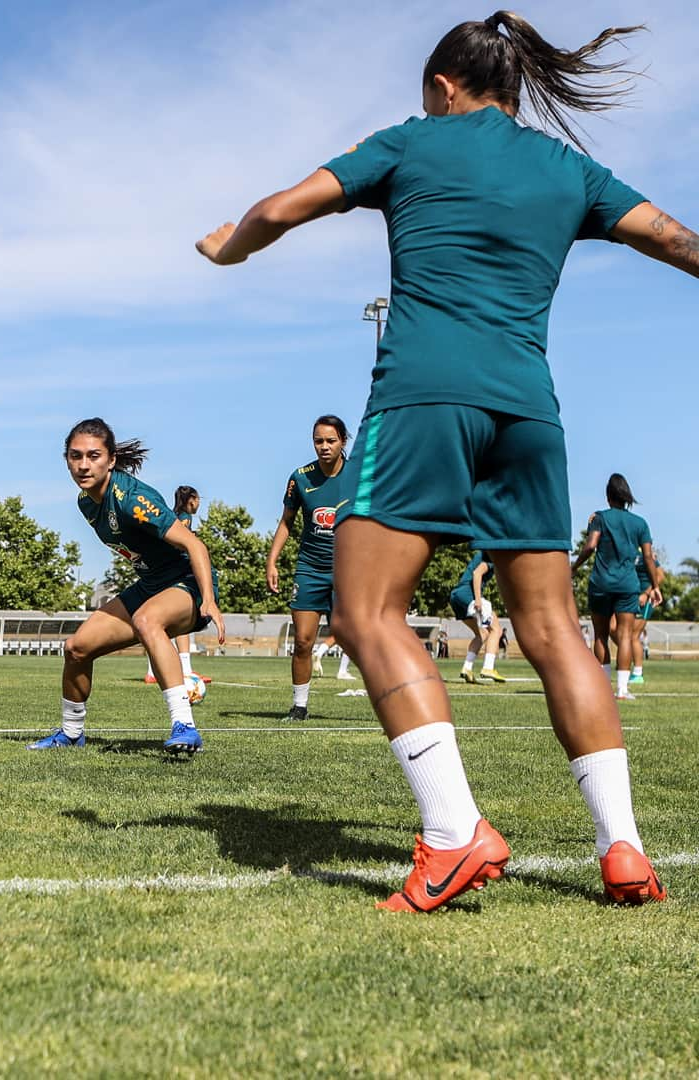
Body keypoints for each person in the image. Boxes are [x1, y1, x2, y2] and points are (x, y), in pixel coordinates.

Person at [196, 12, 694, 909]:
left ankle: (453, 831)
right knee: (551, 631)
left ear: (441, 87)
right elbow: (674, 239)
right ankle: (622, 850)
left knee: (365, 611)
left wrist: (226, 246)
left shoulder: (410, 141)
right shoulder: (569, 167)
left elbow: (276, 210)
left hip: (425, 399)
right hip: (531, 414)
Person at [29, 419, 225, 755]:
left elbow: (196, 546)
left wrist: (209, 599)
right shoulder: (86, 503)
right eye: (76, 456)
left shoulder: (132, 499)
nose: (84, 464)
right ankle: (72, 733)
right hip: (150, 586)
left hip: (185, 584)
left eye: (93, 455)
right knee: (76, 648)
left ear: (111, 460)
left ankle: (185, 727)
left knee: (147, 620)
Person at [265, 416, 351, 722]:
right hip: (310, 569)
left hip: (349, 571)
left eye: (331, 440)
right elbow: (286, 522)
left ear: (344, 441)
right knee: (303, 640)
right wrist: (272, 560)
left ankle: (387, 705)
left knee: (356, 637)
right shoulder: (300, 478)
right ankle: (299, 706)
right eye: (319, 441)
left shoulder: (359, 476)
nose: (324, 447)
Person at [573, 474, 661, 702]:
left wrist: (573, 567)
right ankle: (622, 690)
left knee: (600, 636)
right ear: (626, 497)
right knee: (624, 637)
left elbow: (590, 546)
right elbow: (649, 558)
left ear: (608, 496)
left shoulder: (599, 518)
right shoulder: (640, 524)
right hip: (627, 585)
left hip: (600, 583)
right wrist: (655, 586)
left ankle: (603, 689)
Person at [144, 485, 208, 684]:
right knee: (182, 622)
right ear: (192, 500)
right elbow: (182, 545)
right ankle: (186, 671)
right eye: (198, 499)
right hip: (175, 573)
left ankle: (152, 671)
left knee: (159, 625)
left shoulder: (172, 516)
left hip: (160, 571)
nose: (199, 504)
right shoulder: (185, 518)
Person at [448, 552, 507, 683]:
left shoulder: (482, 552)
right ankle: (488, 667)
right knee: (496, 629)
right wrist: (478, 600)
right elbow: (477, 573)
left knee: (482, 634)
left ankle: (466, 668)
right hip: (467, 595)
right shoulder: (491, 556)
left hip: (456, 596)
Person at [626, 551, 663, 686]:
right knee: (617, 631)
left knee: (633, 636)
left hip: (644, 600)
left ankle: (637, 673)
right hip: (629, 597)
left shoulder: (646, 554)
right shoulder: (627, 551)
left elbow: (660, 576)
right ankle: (626, 661)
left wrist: (646, 593)